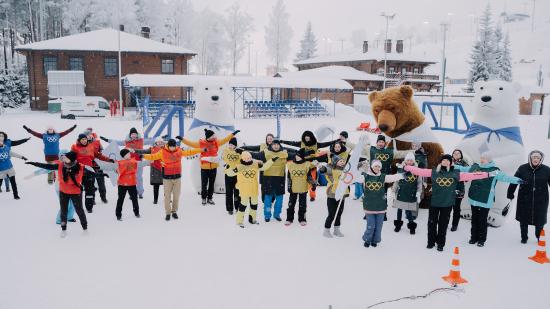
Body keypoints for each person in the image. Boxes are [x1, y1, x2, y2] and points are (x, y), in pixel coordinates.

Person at [404, 154, 492, 251]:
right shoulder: (434, 172)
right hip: (435, 202)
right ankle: (430, 242)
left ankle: (440, 244)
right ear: (441, 162)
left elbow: (471, 175)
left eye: (447, 160)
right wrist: (407, 167)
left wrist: (487, 174)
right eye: (443, 160)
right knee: (431, 224)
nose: (445, 162)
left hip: (447, 203)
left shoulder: (455, 173)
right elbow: (420, 171)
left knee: (443, 224)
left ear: (450, 162)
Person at [453, 152, 522, 247]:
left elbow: (505, 178)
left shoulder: (494, 170)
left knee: (482, 220)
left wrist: (518, 180)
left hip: (485, 200)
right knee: (474, 220)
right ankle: (473, 237)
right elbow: (464, 169)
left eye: (484, 158)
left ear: (489, 160)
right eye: (481, 158)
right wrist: (452, 166)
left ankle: (481, 240)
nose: (482, 159)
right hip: (474, 198)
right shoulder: (475, 167)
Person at [26, 151, 88, 237]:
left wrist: (100, 174)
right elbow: (45, 167)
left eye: (65, 156)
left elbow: (90, 173)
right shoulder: (59, 165)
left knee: (78, 209)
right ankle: (63, 227)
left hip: (75, 192)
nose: (63, 157)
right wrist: (34, 164)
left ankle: (83, 227)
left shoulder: (79, 167)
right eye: (62, 156)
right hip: (62, 190)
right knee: (64, 209)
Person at [142, 139, 201, 220]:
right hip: (167, 178)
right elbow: (153, 156)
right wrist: (143, 156)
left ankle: (174, 211)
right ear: (168, 146)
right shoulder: (162, 152)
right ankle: (168, 213)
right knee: (167, 197)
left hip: (177, 178)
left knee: (176, 196)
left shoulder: (179, 151)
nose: (172, 148)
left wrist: (201, 150)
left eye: (173, 146)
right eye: (171, 146)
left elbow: (189, 152)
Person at [179, 129, 238, 205]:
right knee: (204, 184)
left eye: (214, 136)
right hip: (204, 168)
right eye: (212, 136)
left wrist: (233, 134)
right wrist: (182, 139)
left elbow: (225, 140)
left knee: (211, 184)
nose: (214, 137)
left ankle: (210, 198)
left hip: (213, 167)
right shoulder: (201, 143)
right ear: (208, 137)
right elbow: (191, 144)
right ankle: (204, 198)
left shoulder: (216, 142)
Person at [280, 130, 339, 201]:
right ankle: (302, 192)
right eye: (305, 137)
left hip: (312, 165)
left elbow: (326, 144)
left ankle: (312, 195)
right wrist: (282, 141)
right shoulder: (301, 143)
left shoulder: (316, 144)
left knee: (313, 180)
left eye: (308, 137)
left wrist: (335, 141)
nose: (306, 138)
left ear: (311, 137)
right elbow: (291, 143)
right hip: (303, 165)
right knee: (303, 179)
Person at [507, 150, 550, 244]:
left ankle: (539, 237)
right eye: (534, 157)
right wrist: (510, 193)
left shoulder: (547, 170)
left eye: (538, 158)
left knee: (540, 220)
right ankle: (524, 237)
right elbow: (514, 181)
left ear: (541, 159)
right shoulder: (522, 168)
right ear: (530, 158)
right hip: (524, 198)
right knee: (523, 219)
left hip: (541, 200)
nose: (536, 159)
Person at [359, 160, 404, 247]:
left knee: (379, 226)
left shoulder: (383, 177)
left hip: (381, 206)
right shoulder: (365, 176)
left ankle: (375, 240)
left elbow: (393, 177)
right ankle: (367, 239)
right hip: (369, 205)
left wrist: (402, 175)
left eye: (379, 167)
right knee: (371, 225)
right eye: (375, 166)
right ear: (372, 167)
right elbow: (355, 178)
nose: (377, 168)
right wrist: (351, 171)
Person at [101, 127, 154, 199]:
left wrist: (160, 139)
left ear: (137, 134)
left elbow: (150, 141)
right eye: (132, 134)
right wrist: (107, 140)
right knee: (130, 177)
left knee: (139, 178)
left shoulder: (141, 141)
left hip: (138, 161)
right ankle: (132, 193)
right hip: (129, 162)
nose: (134, 135)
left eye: (135, 134)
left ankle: (140, 192)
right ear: (130, 135)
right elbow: (117, 142)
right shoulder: (126, 141)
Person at [227, 151, 276, 228]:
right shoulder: (239, 166)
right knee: (243, 205)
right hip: (244, 189)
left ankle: (252, 219)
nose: (249, 159)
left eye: (250, 158)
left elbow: (265, 167)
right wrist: (229, 168)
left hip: (253, 189)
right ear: (243, 158)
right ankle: (239, 221)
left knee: (254, 205)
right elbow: (230, 173)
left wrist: (272, 160)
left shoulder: (254, 164)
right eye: (246, 158)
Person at [101, 149, 150, 220]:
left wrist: (150, 161)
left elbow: (141, 163)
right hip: (122, 184)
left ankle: (136, 212)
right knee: (120, 199)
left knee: (134, 199)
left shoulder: (133, 161)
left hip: (132, 184)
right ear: (124, 155)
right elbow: (110, 166)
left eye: (129, 154)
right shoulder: (119, 163)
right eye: (128, 154)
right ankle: (118, 215)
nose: (129, 155)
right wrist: (100, 167)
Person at [71, 134, 114, 213]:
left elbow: (98, 155)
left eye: (85, 139)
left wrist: (109, 159)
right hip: (78, 171)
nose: (84, 141)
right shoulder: (75, 147)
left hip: (89, 170)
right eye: (82, 139)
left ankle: (89, 207)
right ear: (79, 140)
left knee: (89, 190)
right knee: (77, 190)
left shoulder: (91, 147)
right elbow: (70, 158)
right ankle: (75, 207)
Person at [256, 140, 288, 222]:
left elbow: (296, 155)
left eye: (277, 144)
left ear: (280, 146)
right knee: (267, 200)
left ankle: (277, 214)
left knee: (279, 200)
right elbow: (255, 155)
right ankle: (267, 215)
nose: (276, 146)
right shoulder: (266, 152)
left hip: (280, 179)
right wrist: (245, 152)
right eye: (274, 144)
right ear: (271, 145)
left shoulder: (284, 153)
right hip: (268, 179)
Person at [319, 153, 349, 238]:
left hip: (342, 194)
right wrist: (320, 166)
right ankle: (326, 230)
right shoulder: (331, 169)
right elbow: (325, 170)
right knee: (332, 213)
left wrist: (361, 163)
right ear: (336, 162)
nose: (342, 162)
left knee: (339, 213)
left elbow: (354, 168)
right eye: (340, 161)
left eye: (343, 161)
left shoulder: (346, 170)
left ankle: (336, 229)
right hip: (332, 194)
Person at [393, 152, 423, 235]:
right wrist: (393, 191)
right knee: (399, 209)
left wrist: (418, 192)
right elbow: (396, 181)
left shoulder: (417, 171)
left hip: (411, 192)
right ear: (405, 161)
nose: (409, 162)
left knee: (409, 210)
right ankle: (398, 225)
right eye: (408, 160)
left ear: (413, 161)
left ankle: (411, 226)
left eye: (411, 160)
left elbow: (419, 183)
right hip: (401, 192)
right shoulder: (400, 169)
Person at [285, 148, 317, 226]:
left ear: (302, 157)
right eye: (296, 155)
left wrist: (313, 184)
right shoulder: (291, 164)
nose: (296, 157)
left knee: (302, 205)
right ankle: (289, 218)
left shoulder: (306, 165)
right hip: (293, 188)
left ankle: (302, 218)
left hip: (303, 188)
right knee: (291, 204)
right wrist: (289, 187)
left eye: (299, 156)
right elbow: (289, 177)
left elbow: (309, 177)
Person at [134, 137, 165, 204]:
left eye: (161, 142)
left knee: (167, 185)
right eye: (158, 142)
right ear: (156, 143)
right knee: (156, 186)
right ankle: (155, 199)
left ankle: (167, 198)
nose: (160, 143)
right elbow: (143, 151)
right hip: (155, 169)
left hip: (164, 168)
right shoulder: (151, 149)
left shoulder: (166, 149)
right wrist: (135, 150)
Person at [86, 129, 108, 204]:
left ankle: (103, 197)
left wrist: (100, 153)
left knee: (101, 183)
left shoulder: (97, 142)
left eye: (90, 134)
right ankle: (93, 199)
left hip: (98, 166)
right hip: (89, 167)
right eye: (87, 135)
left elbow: (102, 150)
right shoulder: (83, 144)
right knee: (91, 184)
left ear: (92, 135)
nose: (89, 136)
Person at [221, 137, 242, 215]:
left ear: (235, 146)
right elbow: (223, 158)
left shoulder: (239, 152)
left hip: (237, 175)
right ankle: (229, 208)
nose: (230, 146)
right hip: (228, 174)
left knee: (237, 192)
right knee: (229, 192)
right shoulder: (226, 151)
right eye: (229, 144)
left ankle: (237, 207)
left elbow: (242, 161)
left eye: (232, 145)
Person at [450, 149, 469, 231]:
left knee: (456, 208)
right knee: (447, 208)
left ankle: (455, 225)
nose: (456, 154)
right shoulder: (448, 162)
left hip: (459, 188)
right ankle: (445, 222)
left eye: (458, 153)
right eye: (454, 153)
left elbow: (467, 177)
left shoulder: (465, 164)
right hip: (448, 188)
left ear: (461, 155)